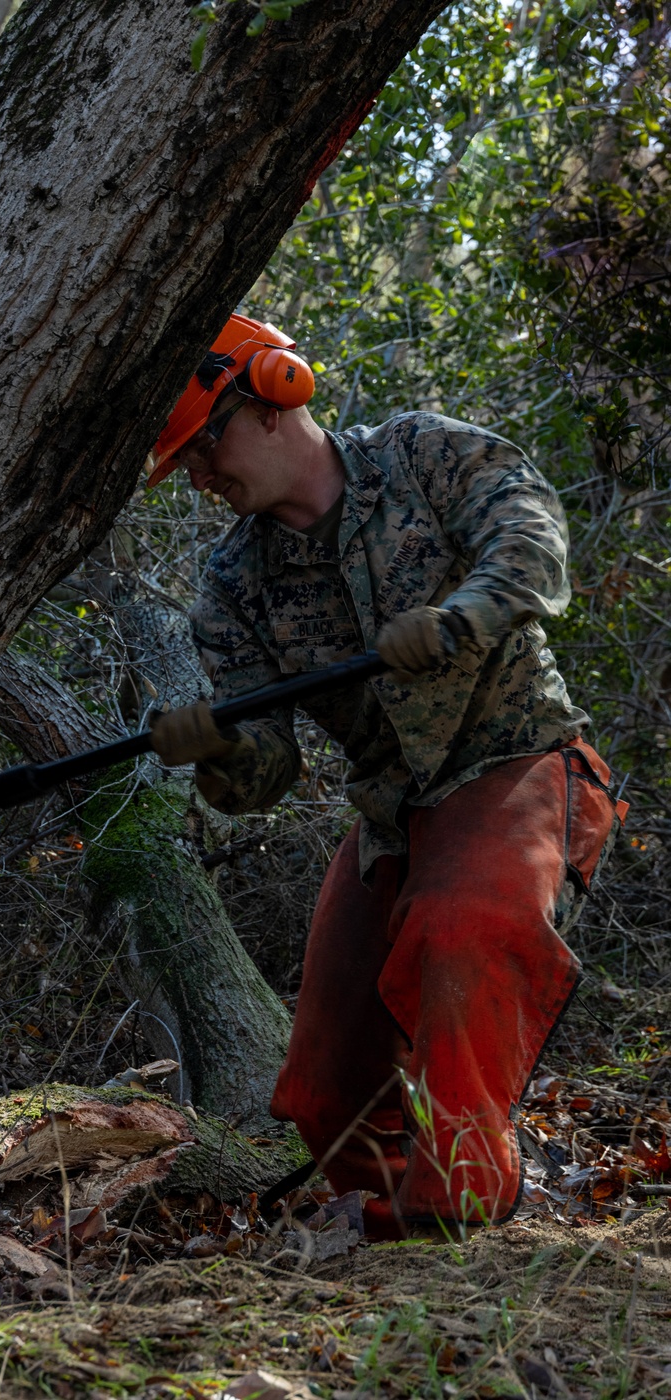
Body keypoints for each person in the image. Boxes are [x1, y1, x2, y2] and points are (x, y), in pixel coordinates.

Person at [147, 312, 627, 1234]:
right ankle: (384, 1221)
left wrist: (463, 615)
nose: (201, 477)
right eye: (188, 465)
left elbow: (532, 539)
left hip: (514, 760)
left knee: (463, 931)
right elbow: (267, 773)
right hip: (390, 815)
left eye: (205, 446)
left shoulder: (424, 455)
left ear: (277, 397)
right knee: (327, 1085)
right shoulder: (232, 585)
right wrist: (215, 750)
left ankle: (464, 1201)